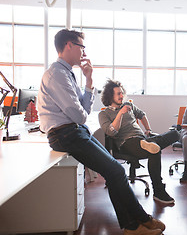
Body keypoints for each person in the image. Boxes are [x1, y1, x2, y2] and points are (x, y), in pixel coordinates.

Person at [37, 29, 165, 235]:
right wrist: (80, 110)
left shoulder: (67, 74)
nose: (83, 52)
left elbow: (84, 110)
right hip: (66, 134)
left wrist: (88, 80)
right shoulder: (56, 75)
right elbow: (79, 114)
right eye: (81, 47)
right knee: (116, 170)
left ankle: (134, 225)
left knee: (115, 172)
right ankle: (139, 221)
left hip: (75, 130)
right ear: (69, 45)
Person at [99, 79, 179, 204]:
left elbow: (142, 115)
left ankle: (149, 144)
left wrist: (148, 129)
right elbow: (111, 132)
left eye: (122, 93)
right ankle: (159, 191)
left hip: (142, 139)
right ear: (110, 96)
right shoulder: (104, 114)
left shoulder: (128, 105)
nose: (121, 96)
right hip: (126, 143)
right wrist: (120, 114)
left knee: (174, 134)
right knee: (153, 150)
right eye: (118, 94)